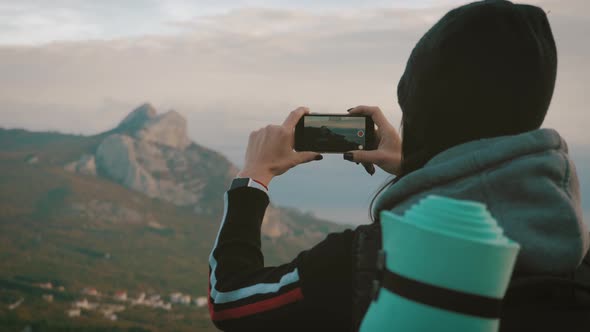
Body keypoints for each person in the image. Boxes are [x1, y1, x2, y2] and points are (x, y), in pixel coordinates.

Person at [207, 1, 590, 331]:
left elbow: (230, 299)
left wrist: (253, 179)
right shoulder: (575, 254)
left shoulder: (365, 262)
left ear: (419, 109)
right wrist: (421, 166)